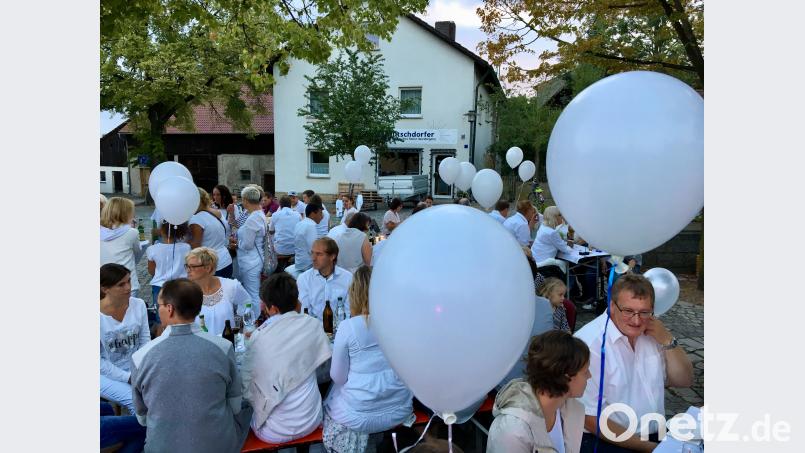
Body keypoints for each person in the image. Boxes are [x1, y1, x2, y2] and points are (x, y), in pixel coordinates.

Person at [575, 274, 694, 453]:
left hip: (655, 434)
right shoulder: (589, 344)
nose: (637, 320)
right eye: (628, 311)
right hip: (607, 440)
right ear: (612, 306)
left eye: (644, 312)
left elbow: (684, 380)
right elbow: (589, 418)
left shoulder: (654, 333)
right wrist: (650, 448)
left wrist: (668, 339)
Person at [131, 278, 252, 452]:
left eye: (159, 306)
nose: (158, 311)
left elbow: (142, 418)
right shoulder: (223, 348)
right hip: (217, 445)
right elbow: (235, 405)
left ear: (170, 309)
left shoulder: (140, 357)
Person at [323, 265, 413, 452]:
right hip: (399, 406)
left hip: (361, 414)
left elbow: (338, 377)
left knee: (329, 399)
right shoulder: (399, 321)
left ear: (354, 294)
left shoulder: (348, 327)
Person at [242, 273, 332, 443]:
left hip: (273, 432)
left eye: (264, 304)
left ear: (273, 309)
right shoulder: (312, 324)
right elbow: (325, 363)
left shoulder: (258, 338)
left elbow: (246, 388)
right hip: (312, 419)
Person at [488, 331, 591, 453]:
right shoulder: (511, 432)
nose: (589, 376)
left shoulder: (569, 409)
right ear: (566, 377)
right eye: (585, 372)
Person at [100, 264, 151, 414]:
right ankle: (143, 436)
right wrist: (128, 377)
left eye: (129, 281)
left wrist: (141, 369)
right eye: (121, 284)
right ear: (105, 289)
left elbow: (144, 339)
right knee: (135, 401)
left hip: (136, 366)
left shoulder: (138, 304)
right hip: (104, 373)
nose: (128, 287)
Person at [185, 247, 252, 336]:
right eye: (187, 266)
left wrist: (247, 327)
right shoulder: (186, 293)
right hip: (200, 347)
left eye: (192, 266)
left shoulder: (230, 286)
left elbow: (246, 303)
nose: (188, 270)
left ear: (208, 268)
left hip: (227, 345)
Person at [146, 222, 191, 326]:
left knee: (161, 318)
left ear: (162, 231)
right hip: (181, 285)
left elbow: (151, 271)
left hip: (160, 286)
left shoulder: (152, 249)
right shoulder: (186, 247)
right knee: (182, 314)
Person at [297, 237, 353, 319]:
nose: (313, 258)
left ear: (332, 256)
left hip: (340, 328)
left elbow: (349, 312)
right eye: (312, 253)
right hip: (314, 328)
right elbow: (305, 312)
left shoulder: (347, 278)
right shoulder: (304, 279)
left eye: (319, 254)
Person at [231, 186, 266, 319]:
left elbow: (247, 244)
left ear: (245, 200)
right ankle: (254, 317)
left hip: (251, 261)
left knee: (252, 293)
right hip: (254, 259)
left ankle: (255, 319)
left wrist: (236, 244)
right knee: (253, 291)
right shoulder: (259, 214)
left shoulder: (253, 218)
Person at [100, 197, 144, 298]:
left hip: (105, 282)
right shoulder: (132, 232)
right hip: (126, 282)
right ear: (126, 214)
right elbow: (137, 250)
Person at [189, 187, 234, 278]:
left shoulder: (196, 219)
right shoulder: (217, 213)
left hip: (211, 265)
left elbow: (195, 247)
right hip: (226, 260)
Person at [286, 203, 323, 278]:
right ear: (313, 214)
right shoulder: (311, 226)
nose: (322, 217)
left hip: (299, 262)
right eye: (320, 213)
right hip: (308, 265)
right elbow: (312, 249)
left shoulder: (300, 223)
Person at [269, 195, 301, 271]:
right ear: (290, 204)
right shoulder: (297, 214)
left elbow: (271, 231)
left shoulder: (276, 215)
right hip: (294, 248)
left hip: (280, 249)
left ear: (280, 204)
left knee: (270, 238)